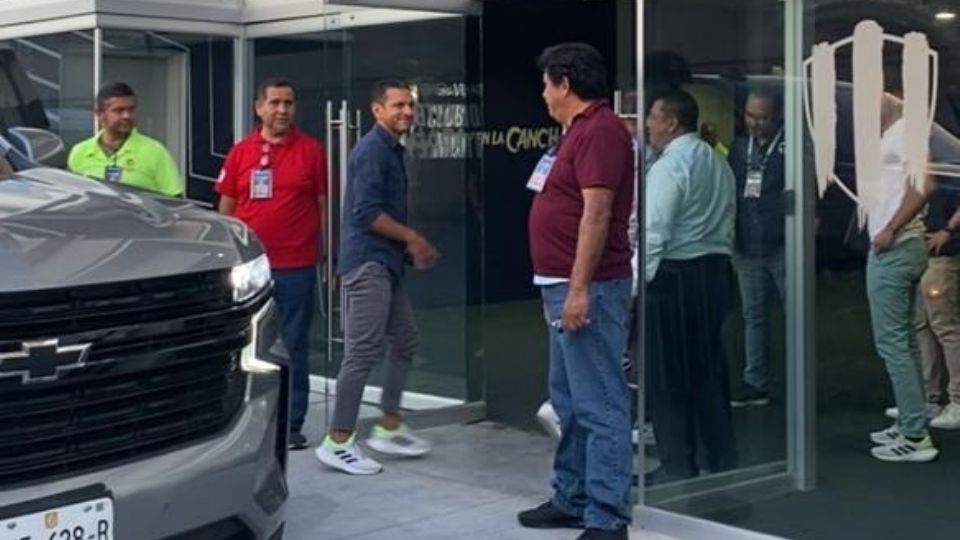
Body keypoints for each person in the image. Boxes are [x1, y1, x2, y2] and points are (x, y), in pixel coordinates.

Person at [517, 43, 634, 540]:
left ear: (565, 82)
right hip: (559, 285)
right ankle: (573, 497)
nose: (543, 93)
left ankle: (607, 517)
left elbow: (598, 213)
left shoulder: (602, 131)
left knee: (600, 402)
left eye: (546, 83)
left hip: (588, 287)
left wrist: (579, 290)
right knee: (568, 400)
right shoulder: (577, 133)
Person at [315, 79, 439, 476]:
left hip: (386, 264)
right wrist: (413, 238)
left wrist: (406, 246)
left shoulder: (392, 151)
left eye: (410, 105)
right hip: (368, 264)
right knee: (362, 351)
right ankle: (338, 440)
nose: (407, 112)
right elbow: (365, 213)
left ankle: (388, 426)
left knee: (405, 340)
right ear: (377, 111)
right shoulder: (371, 151)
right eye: (398, 105)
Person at [216, 78, 327, 451]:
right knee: (245, 344)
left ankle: (291, 422)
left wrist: (328, 254)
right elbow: (227, 208)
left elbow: (325, 205)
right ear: (258, 107)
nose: (282, 110)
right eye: (275, 102)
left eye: (289, 103)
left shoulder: (312, 151)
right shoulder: (240, 152)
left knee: (293, 344)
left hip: (297, 264)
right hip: (251, 268)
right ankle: (240, 420)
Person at [643, 89, 738, 484]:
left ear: (671, 122)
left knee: (666, 375)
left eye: (652, 116)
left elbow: (654, 230)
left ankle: (677, 463)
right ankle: (718, 454)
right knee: (708, 369)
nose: (647, 124)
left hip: (675, 275)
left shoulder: (669, 167)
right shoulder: (718, 162)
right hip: (716, 271)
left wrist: (635, 285)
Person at [865, 95, 938, 463]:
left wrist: (891, 227)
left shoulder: (904, 134)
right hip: (899, 245)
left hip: (896, 247)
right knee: (904, 341)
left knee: (893, 343)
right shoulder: (894, 135)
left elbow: (925, 184)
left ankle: (914, 435)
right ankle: (911, 418)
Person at [727, 89, 786, 407]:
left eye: (762, 117)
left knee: (795, 312)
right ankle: (755, 381)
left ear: (776, 117)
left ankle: (798, 379)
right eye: (750, 115)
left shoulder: (791, 147)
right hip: (746, 243)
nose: (755, 123)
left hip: (782, 243)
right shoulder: (737, 148)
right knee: (753, 315)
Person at [903, 184, 960, 429]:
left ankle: (957, 402)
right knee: (923, 325)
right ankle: (931, 397)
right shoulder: (934, 159)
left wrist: (948, 230)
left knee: (945, 327)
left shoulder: (951, 158)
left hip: (944, 253)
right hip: (925, 251)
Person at [68, 82, 182, 196]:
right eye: (119, 110)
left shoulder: (155, 151)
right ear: (99, 114)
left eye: (131, 109)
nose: (126, 116)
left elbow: (175, 199)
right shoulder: (79, 152)